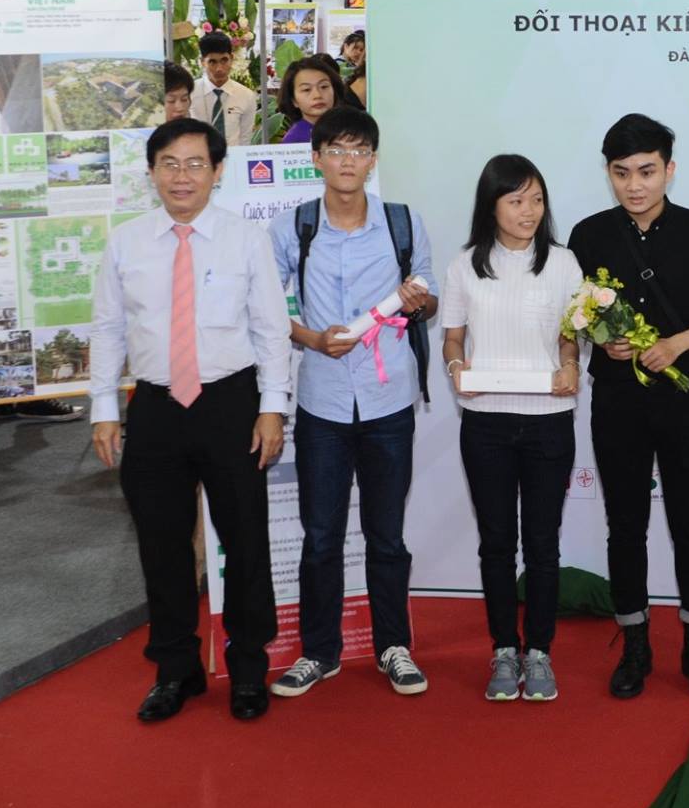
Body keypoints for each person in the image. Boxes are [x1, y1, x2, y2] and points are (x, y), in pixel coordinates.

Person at [87, 117, 291, 723]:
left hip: (231, 404)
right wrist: (104, 410)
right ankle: (176, 670)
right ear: (152, 172)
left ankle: (249, 667)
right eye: (170, 164)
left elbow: (271, 328)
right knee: (162, 545)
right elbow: (107, 329)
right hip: (154, 407)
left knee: (246, 540)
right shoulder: (126, 242)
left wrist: (272, 408)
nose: (183, 176)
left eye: (196, 163)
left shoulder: (245, 239)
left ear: (218, 171)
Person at [568, 113, 689, 699]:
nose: (634, 184)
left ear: (669, 170)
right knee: (625, 526)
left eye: (646, 171)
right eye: (622, 173)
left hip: (683, 396)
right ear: (609, 174)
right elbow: (573, 314)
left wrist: (679, 342)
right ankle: (635, 646)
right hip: (617, 400)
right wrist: (600, 340)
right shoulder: (589, 234)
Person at [266, 107, 437, 701]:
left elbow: (430, 296)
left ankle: (394, 646)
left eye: (359, 150)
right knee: (321, 537)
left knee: (386, 535)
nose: (348, 161)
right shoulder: (292, 227)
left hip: (388, 402)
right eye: (336, 150)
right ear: (316, 158)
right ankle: (319, 652)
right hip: (323, 403)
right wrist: (312, 339)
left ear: (373, 160)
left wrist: (417, 301)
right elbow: (266, 308)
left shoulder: (402, 223)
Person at [440, 154, 583, 701]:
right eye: (516, 200)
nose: (529, 211)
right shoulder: (465, 265)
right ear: (491, 205)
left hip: (549, 423)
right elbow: (453, 338)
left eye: (537, 199)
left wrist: (570, 365)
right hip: (486, 424)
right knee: (496, 544)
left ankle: (539, 651)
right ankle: (504, 649)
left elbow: (570, 336)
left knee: (543, 545)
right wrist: (457, 368)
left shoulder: (564, 263)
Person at [196, 31, 257, 147]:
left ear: (232, 58)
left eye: (224, 60)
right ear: (202, 62)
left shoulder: (246, 96)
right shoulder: (190, 93)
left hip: (234, 156)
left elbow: (245, 139)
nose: (219, 68)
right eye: (212, 62)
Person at [276, 57, 342, 145]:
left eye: (324, 86)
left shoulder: (349, 129)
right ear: (293, 100)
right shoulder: (294, 142)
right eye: (306, 89)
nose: (317, 95)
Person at [343, 30, 367, 105]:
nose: (358, 52)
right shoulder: (339, 63)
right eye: (355, 48)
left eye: (361, 50)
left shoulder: (353, 65)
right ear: (346, 46)